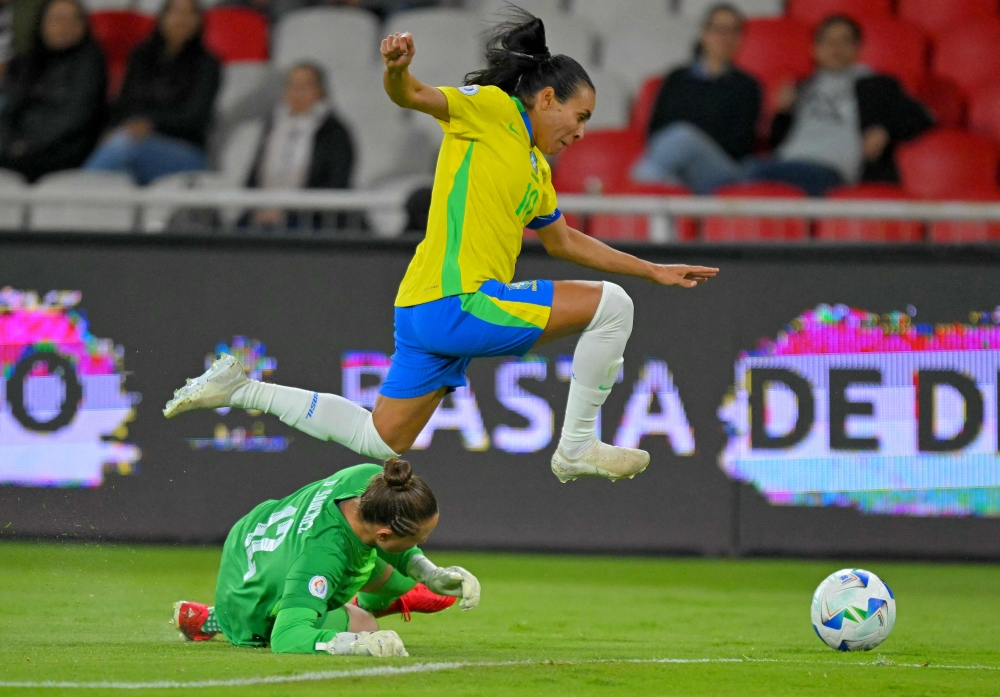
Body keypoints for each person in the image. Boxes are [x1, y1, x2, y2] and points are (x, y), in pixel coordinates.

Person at [163, 9, 718, 484]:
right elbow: (415, 95)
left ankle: (241, 388)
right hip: (459, 299)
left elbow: (564, 241)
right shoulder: (494, 111)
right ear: (547, 98)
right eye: (580, 116)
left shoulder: (537, 173)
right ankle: (575, 447)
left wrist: (651, 268)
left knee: (379, 441)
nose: (580, 132)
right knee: (612, 306)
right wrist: (396, 71)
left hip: (423, 307)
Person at [171, 458, 480, 656]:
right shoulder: (323, 558)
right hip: (254, 605)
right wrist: (356, 644)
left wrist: (429, 573)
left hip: (254, 539)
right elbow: (287, 638)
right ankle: (221, 619)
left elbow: (378, 542)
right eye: (418, 538)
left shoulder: (373, 480)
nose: (425, 542)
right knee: (366, 626)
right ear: (384, 534)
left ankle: (212, 616)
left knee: (388, 572)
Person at [754, 15, 934, 194]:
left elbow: (924, 116)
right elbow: (777, 142)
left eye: (844, 40)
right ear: (814, 49)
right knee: (744, 172)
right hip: (785, 162)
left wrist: (885, 129)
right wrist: (783, 113)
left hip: (831, 170)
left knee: (748, 174)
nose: (836, 48)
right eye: (828, 41)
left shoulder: (875, 84)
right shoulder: (801, 86)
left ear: (857, 48)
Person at [83, 0, 221, 185]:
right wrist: (115, 128)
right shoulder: (140, 56)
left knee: (124, 145)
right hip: (134, 141)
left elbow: (195, 117)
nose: (182, 19)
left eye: (190, 13)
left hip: (184, 149)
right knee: (118, 170)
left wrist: (150, 124)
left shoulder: (208, 64)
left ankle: (78, 193)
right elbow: (123, 104)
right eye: (176, 12)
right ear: (162, 17)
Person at [631, 3, 761, 194]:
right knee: (667, 172)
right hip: (675, 165)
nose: (724, 37)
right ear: (704, 33)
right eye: (718, 29)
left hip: (719, 171)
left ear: (740, 38)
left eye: (733, 31)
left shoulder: (747, 86)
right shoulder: (676, 78)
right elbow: (655, 131)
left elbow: (739, 145)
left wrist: (694, 141)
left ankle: (630, 192)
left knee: (683, 137)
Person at [0, 0, 105, 181]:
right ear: (42, 23)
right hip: (17, 146)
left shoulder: (90, 63)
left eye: (73, 20)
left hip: (63, 149)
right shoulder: (26, 62)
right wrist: (9, 144)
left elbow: (74, 117)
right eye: (57, 19)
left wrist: (26, 145)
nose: (65, 26)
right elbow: (10, 111)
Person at [246, 62, 355, 229]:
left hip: (310, 219)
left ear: (320, 90)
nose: (298, 93)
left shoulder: (335, 133)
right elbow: (254, 175)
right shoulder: (272, 126)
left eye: (305, 86)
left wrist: (290, 211)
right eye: (292, 85)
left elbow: (336, 182)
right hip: (262, 214)